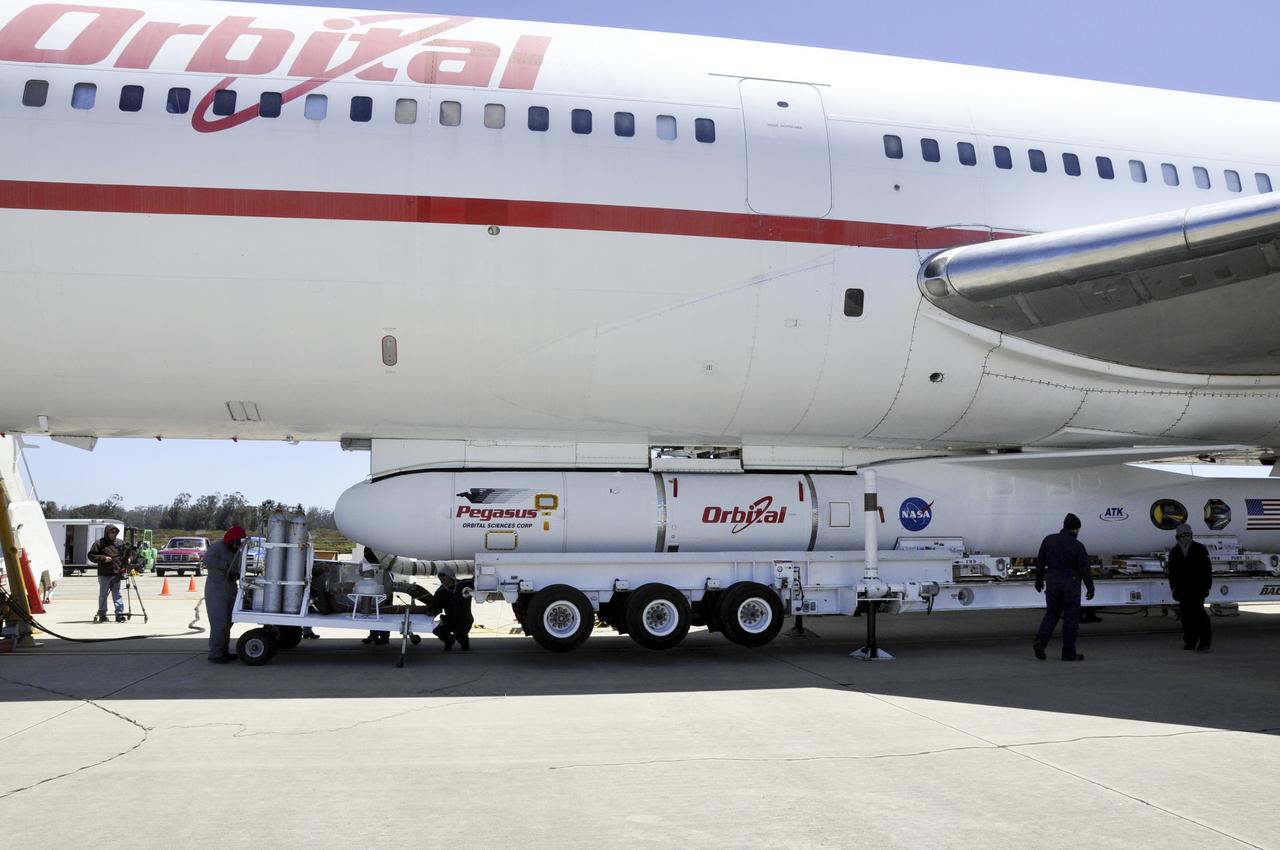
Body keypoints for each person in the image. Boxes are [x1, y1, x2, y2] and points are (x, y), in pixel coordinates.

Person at [1032, 513, 1095, 661]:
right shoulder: (1077, 545)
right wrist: (1090, 587)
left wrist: (1038, 580)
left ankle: (1040, 642)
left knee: (1052, 614)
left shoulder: (1049, 540)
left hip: (1052, 582)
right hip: (1070, 583)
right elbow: (1084, 568)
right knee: (1071, 619)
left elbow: (1040, 562)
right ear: (1077, 529)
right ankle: (1068, 653)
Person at [203, 526, 247, 663]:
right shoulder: (217, 548)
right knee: (219, 622)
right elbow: (207, 560)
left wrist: (237, 573)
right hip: (216, 588)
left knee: (228, 622)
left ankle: (224, 651)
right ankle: (215, 654)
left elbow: (238, 566)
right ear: (230, 540)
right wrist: (225, 565)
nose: (237, 545)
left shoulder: (237, 550)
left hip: (230, 587)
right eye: (235, 542)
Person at [1167, 523, 1212, 651]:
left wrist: (1207, 587)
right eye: (1182, 535)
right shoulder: (1174, 552)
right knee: (1186, 616)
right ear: (1178, 536)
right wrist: (1173, 588)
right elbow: (1172, 572)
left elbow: (1207, 570)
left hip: (1198, 588)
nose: (1185, 537)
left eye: (1187, 535)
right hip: (1182, 589)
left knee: (1199, 614)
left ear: (1191, 535)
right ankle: (1190, 641)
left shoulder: (1200, 549)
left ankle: (1205, 643)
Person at [88, 525, 126, 623]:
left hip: (117, 573)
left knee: (117, 594)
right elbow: (91, 556)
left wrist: (128, 558)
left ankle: (119, 614)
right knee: (103, 594)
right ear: (107, 533)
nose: (114, 534)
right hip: (104, 574)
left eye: (115, 532)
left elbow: (127, 553)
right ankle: (102, 614)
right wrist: (103, 558)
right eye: (112, 532)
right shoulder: (99, 543)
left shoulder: (120, 542)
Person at [431, 564, 474, 651]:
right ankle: (449, 641)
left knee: (459, 634)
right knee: (437, 630)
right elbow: (436, 607)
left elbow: (476, 581)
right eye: (441, 580)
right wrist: (430, 611)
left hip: (465, 620)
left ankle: (464, 642)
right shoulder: (440, 592)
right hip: (450, 620)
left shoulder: (464, 584)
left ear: (450, 577)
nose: (442, 581)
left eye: (444, 579)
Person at [358, 546, 390, 646]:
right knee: (372, 610)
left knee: (384, 611)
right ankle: (373, 634)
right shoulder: (367, 556)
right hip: (372, 586)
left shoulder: (384, 555)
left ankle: (384, 637)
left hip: (385, 585)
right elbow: (361, 569)